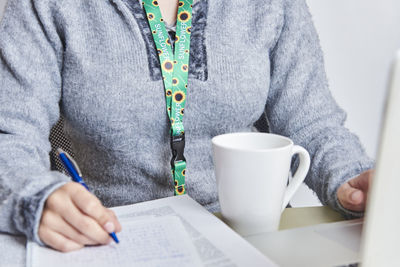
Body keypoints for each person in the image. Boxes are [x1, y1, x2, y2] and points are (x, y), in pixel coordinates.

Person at [0, 0, 374, 252]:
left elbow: (314, 122)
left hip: (251, 244)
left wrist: (352, 180)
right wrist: (34, 196)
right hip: (109, 239)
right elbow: (10, 134)